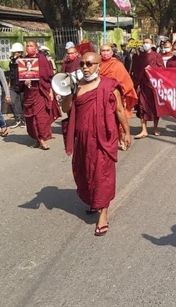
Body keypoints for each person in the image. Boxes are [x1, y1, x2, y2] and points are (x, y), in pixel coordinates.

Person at [61, 52, 131, 237]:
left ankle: (104, 214)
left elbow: (119, 110)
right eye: (82, 64)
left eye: (90, 64)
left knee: (102, 174)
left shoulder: (109, 86)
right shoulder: (77, 86)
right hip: (82, 140)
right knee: (85, 172)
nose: (85, 67)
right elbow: (65, 109)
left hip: (103, 139)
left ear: (99, 65)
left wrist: (126, 131)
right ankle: (93, 200)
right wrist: (68, 92)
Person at [21, 41, 59, 150]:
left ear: (36, 48)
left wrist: (51, 91)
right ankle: (37, 139)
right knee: (31, 119)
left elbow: (49, 76)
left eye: (31, 45)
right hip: (29, 94)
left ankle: (43, 139)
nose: (29, 47)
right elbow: (20, 78)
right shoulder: (23, 61)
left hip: (41, 92)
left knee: (40, 117)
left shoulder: (42, 59)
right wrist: (24, 82)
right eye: (27, 46)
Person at [99, 43, 137, 150]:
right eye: (103, 50)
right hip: (101, 96)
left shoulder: (117, 65)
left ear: (112, 52)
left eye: (107, 50)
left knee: (119, 117)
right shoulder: (96, 65)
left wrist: (123, 94)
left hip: (116, 95)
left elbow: (125, 80)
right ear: (99, 52)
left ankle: (122, 138)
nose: (105, 53)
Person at [131, 38, 164, 138]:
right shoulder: (139, 56)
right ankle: (143, 129)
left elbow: (161, 69)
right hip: (142, 85)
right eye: (144, 43)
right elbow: (134, 69)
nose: (145, 44)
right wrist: (135, 56)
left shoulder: (157, 55)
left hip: (153, 85)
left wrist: (152, 69)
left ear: (152, 44)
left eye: (147, 43)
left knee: (155, 107)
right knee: (142, 107)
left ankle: (155, 127)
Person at [8, 43, 25, 128]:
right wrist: (9, 84)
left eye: (15, 52)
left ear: (20, 53)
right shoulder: (11, 62)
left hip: (22, 86)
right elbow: (11, 74)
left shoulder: (25, 61)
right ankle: (17, 118)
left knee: (23, 103)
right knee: (11, 101)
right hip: (13, 85)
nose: (13, 54)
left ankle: (23, 120)